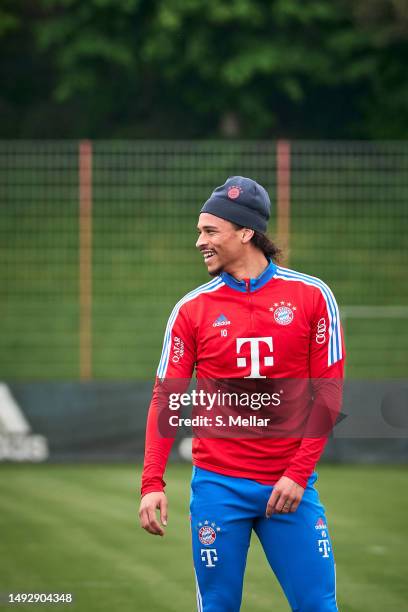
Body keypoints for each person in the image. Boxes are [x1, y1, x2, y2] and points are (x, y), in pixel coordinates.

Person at [139, 176, 345, 611]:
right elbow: (166, 400)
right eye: (200, 231)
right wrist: (152, 482)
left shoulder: (312, 296)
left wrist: (297, 473)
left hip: (291, 486)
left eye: (210, 231)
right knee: (217, 606)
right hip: (218, 486)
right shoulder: (191, 309)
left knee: (319, 606)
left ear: (246, 232)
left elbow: (327, 395)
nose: (199, 241)